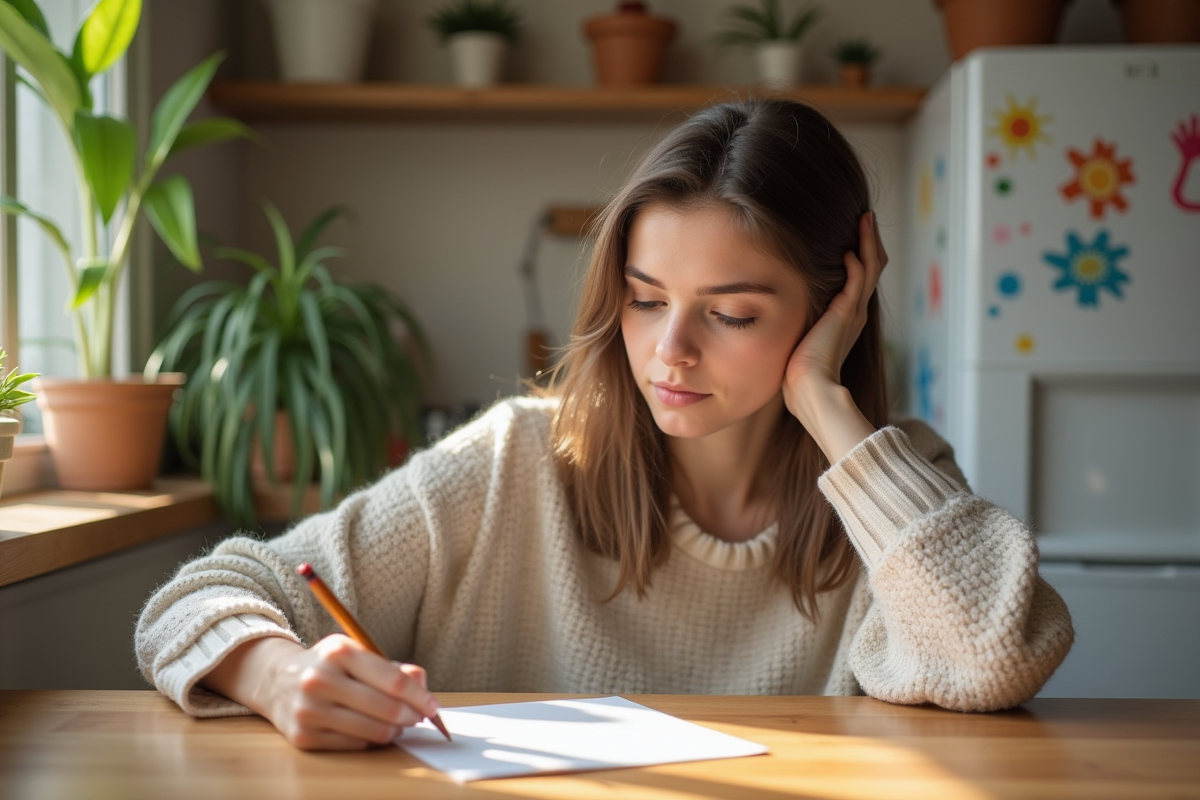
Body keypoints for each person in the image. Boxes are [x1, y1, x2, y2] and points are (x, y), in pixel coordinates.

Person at [136, 99, 1074, 751]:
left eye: (733, 313)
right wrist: (274, 677)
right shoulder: (515, 459)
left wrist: (828, 403)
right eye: (643, 299)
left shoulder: (890, 489)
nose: (670, 351)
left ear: (836, 307)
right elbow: (199, 597)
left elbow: (994, 656)